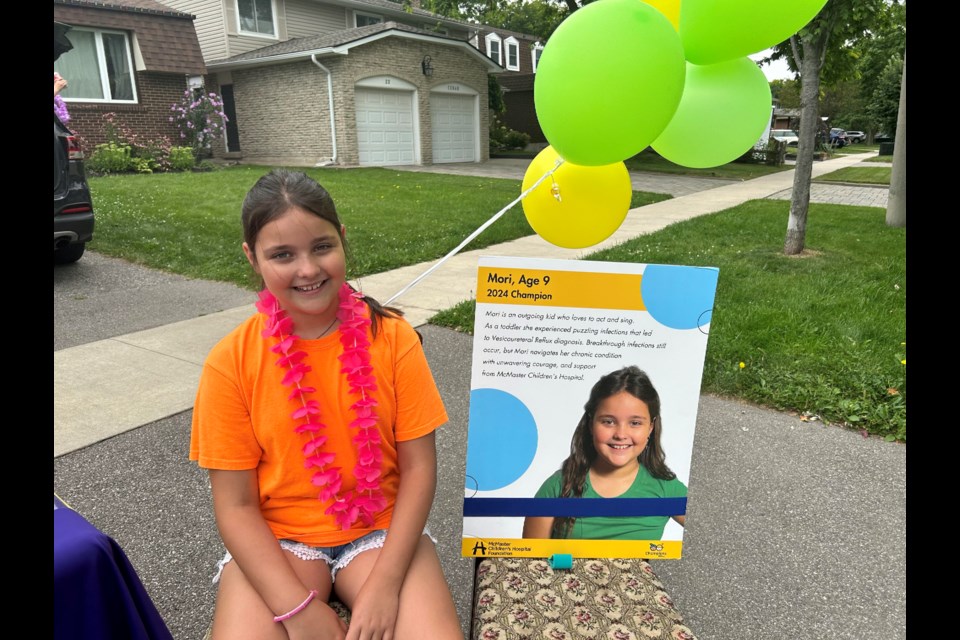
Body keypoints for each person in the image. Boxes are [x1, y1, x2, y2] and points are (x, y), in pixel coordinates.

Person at [190, 169, 462, 640]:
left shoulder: (392, 338)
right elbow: (234, 506)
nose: (308, 269)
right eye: (282, 255)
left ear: (342, 239)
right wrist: (298, 611)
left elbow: (419, 469)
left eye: (321, 247)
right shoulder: (230, 361)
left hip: (381, 532)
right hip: (280, 540)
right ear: (252, 258)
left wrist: (385, 586)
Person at [522, 366, 686, 541]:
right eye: (608, 421)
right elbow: (530, 562)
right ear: (591, 423)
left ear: (650, 428)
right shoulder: (558, 487)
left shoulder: (666, 489)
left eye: (635, 423)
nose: (621, 435)